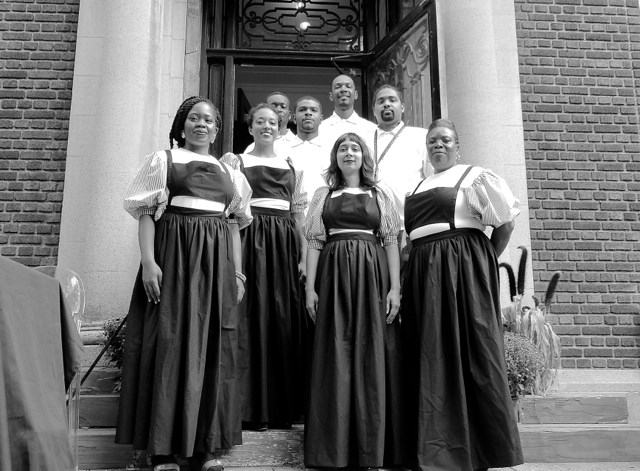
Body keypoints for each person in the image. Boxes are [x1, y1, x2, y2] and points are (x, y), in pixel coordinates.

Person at [116, 96, 253, 471]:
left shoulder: (230, 173)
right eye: (194, 118)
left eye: (208, 120)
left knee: (211, 351)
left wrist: (237, 274)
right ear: (182, 124)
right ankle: (163, 453)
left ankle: (205, 451)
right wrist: (148, 263)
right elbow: (146, 212)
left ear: (217, 128)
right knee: (170, 346)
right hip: (173, 259)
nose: (201, 125)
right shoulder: (164, 161)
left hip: (215, 267)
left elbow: (234, 224)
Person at [401, 118, 524, 471]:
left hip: (461, 269)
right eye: (433, 141)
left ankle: (478, 449)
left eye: (445, 140)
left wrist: (480, 262)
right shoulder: (416, 187)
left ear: (458, 146)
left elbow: (505, 224)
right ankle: (433, 449)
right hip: (424, 271)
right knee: (431, 352)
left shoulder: (474, 176)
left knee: (471, 348)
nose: (438, 145)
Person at [303, 132, 404, 469]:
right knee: (335, 349)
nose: (349, 153)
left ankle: (370, 448)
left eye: (355, 148)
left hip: (371, 273)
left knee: (369, 349)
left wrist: (395, 288)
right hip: (332, 274)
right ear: (336, 157)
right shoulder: (324, 195)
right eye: (343, 148)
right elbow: (315, 241)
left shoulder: (379, 193)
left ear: (364, 156)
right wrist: (310, 289)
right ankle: (332, 448)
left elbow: (390, 239)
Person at [221, 103, 308, 431]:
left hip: (283, 243)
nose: (267, 126)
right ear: (250, 126)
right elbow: (229, 212)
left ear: (281, 124)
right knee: (249, 318)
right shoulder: (235, 162)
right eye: (260, 121)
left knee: (280, 317)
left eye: (273, 121)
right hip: (249, 238)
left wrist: (303, 255)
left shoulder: (292, 166)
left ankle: (280, 408)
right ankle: (247, 408)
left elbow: (298, 215)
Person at [371, 84, 430, 225]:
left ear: (402, 107)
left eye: (392, 100)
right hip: (373, 225)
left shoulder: (421, 136)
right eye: (381, 101)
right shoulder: (362, 139)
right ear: (374, 110)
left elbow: (432, 178)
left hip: (411, 223)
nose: (386, 104)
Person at [318, 74, 377, 151]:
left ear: (356, 95)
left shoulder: (371, 128)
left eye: (348, 86)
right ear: (331, 96)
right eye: (338, 87)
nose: (343, 90)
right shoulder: (320, 128)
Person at [287, 96, 328, 203]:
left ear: (321, 119)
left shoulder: (332, 149)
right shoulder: (282, 149)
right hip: (290, 214)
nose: (308, 113)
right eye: (302, 110)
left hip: (325, 213)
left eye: (313, 110)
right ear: (294, 118)